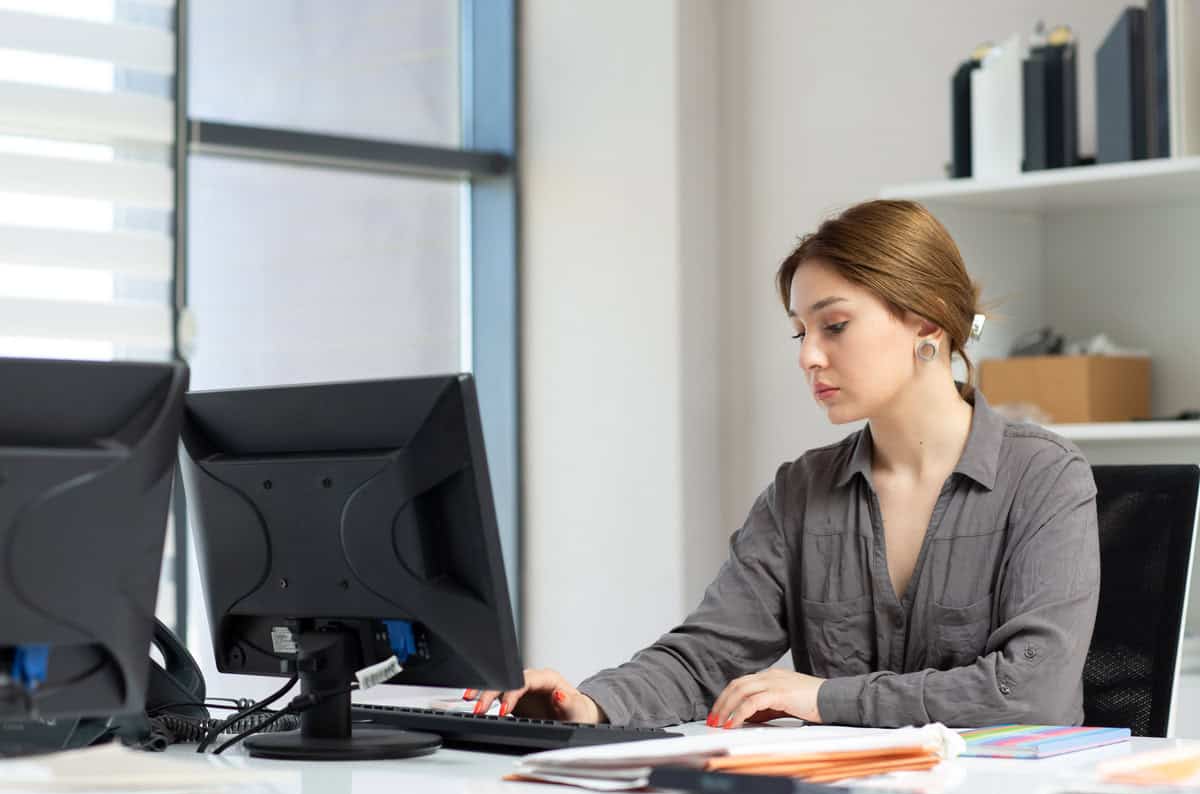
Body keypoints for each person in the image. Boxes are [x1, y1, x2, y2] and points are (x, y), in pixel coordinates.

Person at [467, 199, 1100, 729]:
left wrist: (823, 698)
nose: (808, 358)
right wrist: (589, 703)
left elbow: (1031, 692)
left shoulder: (1044, 476)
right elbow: (707, 656)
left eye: (835, 326)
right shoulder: (801, 490)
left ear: (926, 325)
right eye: (801, 332)